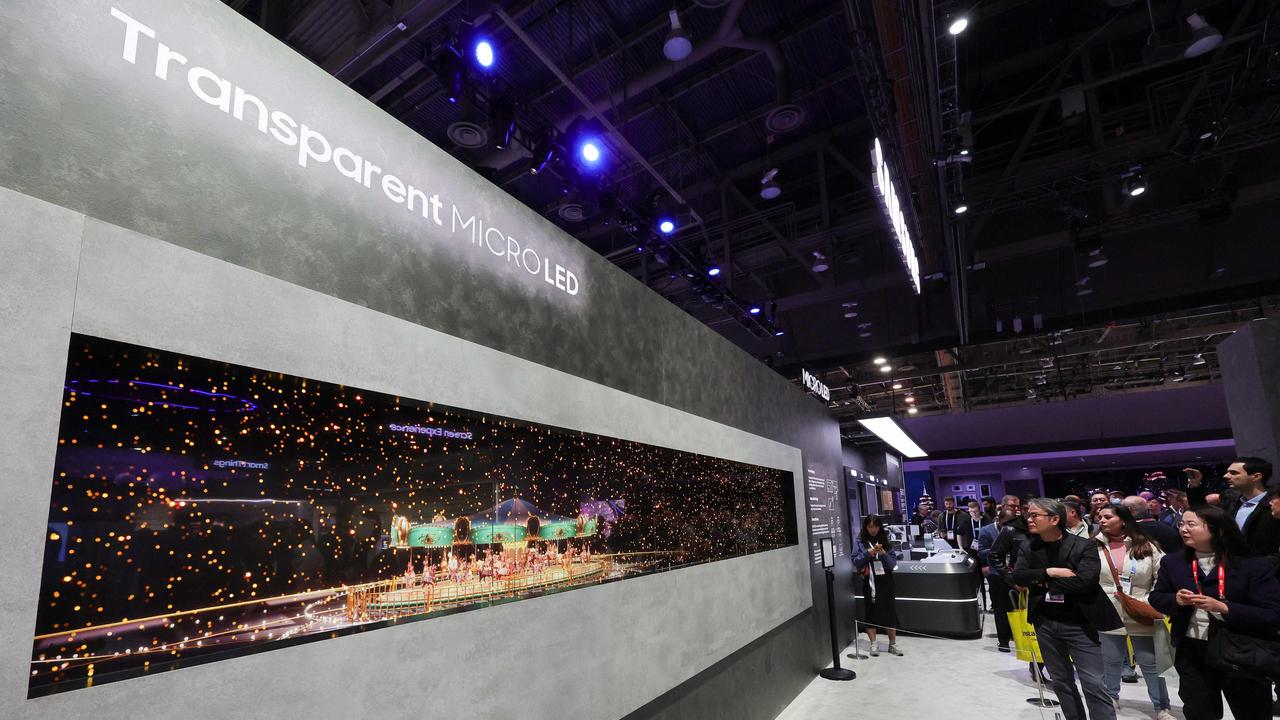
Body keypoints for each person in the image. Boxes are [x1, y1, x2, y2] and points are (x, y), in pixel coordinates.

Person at [1149, 506, 1280, 720]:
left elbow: (1273, 613)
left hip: (1241, 649)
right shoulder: (1173, 562)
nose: (1183, 529)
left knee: (1252, 712)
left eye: (1191, 524)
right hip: (1192, 649)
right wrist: (1176, 599)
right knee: (1199, 712)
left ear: (1218, 530)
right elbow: (1157, 597)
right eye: (1181, 524)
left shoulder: (1251, 566)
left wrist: (1225, 608)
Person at [1013, 498, 1123, 720]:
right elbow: (1018, 576)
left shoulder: (1084, 545)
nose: (1029, 519)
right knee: (1061, 682)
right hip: (1045, 623)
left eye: (1035, 515)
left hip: (1080, 623)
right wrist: (1051, 572)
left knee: (1093, 683)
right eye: (1029, 514)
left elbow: (1084, 582)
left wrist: (1039, 581)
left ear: (1054, 519)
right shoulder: (1028, 546)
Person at [1093, 504, 1172, 719]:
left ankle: (1161, 707)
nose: (1102, 520)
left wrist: (1153, 600)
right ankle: (1110, 698)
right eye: (1099, 517)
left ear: (1124, 520)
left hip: (1141, 608)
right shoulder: (1093, 546)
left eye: (1108, 516)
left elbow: (1162, 575)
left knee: (1150, 661)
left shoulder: (1147, 546)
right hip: (1107, 609)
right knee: (1110, 659)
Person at [1185, 459, 1280, 564]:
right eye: (1228, 471)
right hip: (1232, 568)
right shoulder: (1230, 499)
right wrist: (1195, 485)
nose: (1226, 476)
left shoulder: (1275, 504)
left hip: (1266, 571)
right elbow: (1203, 513)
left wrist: (1266, 566)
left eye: (1234, 473)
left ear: (1256, 477)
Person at [852, 515, 902, 657]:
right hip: (869, 580)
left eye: (875, 527)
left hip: (886, 581)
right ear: (865, 527)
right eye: (870, 527)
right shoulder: (860, 542)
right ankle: (874, 644)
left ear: (879, 527)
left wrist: (883, 553)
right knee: (871, 612)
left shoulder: (885, 542)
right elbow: (855, 561)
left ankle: (893, 644)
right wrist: (869, 553)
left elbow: (893, 565)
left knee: (889, 611)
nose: (873, 530)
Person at [980, 502, 1016, 652]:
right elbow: (981, 551)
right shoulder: (986, 531)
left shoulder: (1018, 530)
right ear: (999, 520)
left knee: (1017, 607)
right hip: (996, 574)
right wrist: (999, 548)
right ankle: (1003, 641)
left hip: (1016, 573)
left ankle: (1018, 635)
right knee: (1000, 609)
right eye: (1006, 524)